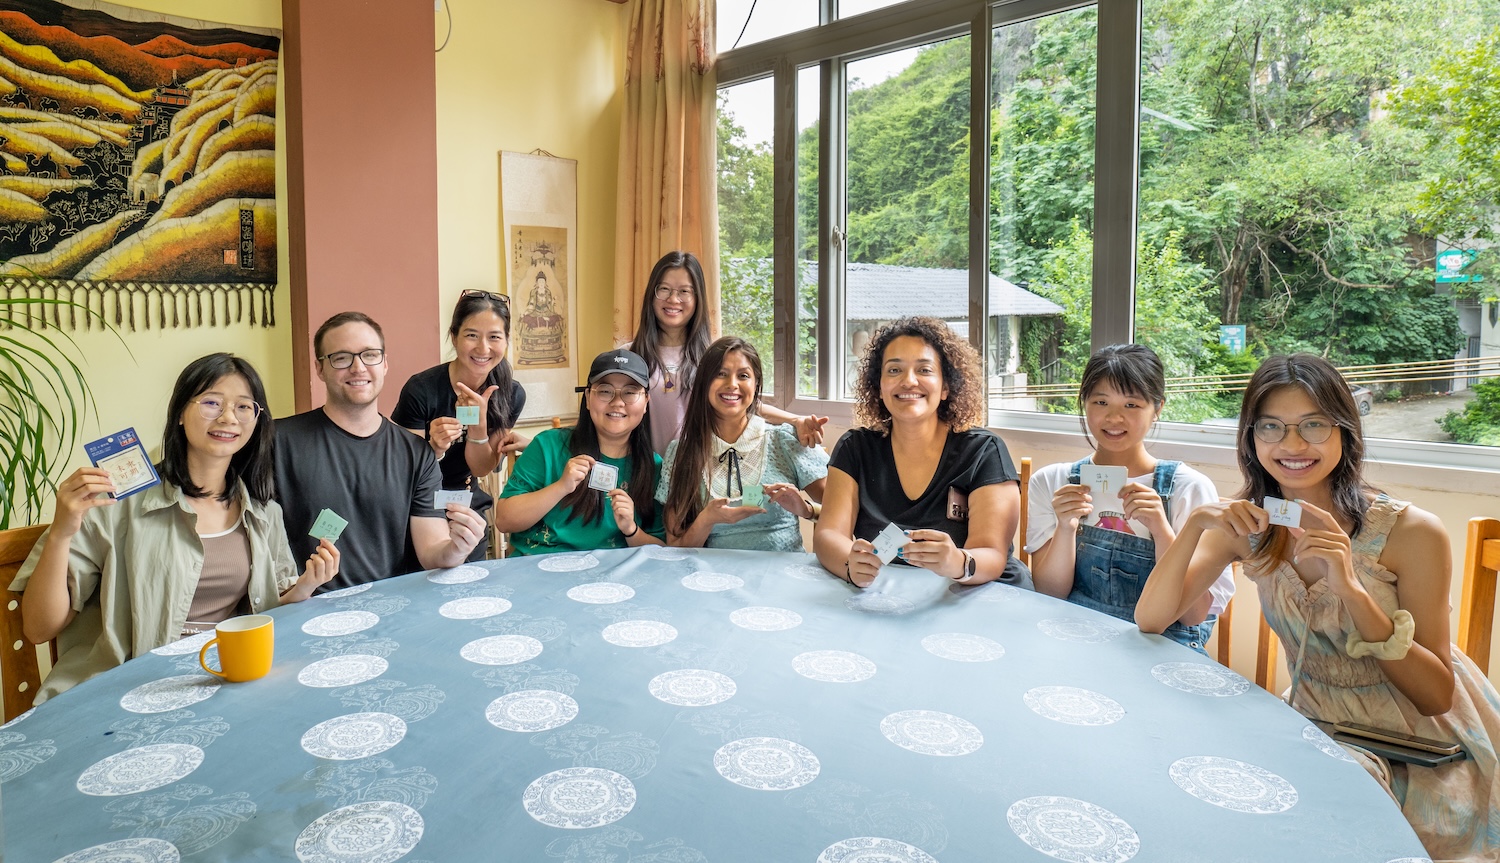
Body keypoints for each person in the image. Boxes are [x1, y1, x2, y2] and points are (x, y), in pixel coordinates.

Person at [1136, 354, 1500, 861]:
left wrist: (1351, 588)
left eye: (1313, 425)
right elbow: (1151, 619)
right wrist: (1196, 524)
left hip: (1422, 751)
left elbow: (1436, 696)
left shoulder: (1412, 532)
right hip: (1320, 732)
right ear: (1250, 438)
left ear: (1344, 431)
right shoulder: (1252, 527)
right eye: (1271, 427)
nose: (1291, 445)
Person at [11, 353, 339, 703]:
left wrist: (306, 585)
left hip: (221, 680)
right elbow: (39, 628)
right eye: (212, 403)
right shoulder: (114, 505)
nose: (228, 417)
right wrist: (61, 532)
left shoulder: (263, 513)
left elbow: (261, 616)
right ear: (181, 412)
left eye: (244, 407)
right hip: (125, 688)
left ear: (256, 421)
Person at [1027, 344, 1233, 654]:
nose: (1114, 417)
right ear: (1084, 403)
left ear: (1158, 408)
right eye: (1101, 402)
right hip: (1075, 638)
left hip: (1161, 645)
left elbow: (1194, 615)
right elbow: (1049, 593)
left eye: (1132, 405)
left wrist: (1161, 531)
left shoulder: (1188, 488)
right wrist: (1065, 528)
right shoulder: (1051, 481)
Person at [814, 316, 1032, 589]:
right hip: (888, 592)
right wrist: (850, 564)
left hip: (979, 591)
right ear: (879, 387)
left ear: (946, 387)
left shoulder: (983, 451)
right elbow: (828, 534)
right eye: (894, 370)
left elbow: (992, 554)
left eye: (924, 370)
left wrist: (958, 561)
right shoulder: (855, 448)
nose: (908, 381)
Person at [275, 312, 487, 587]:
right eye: (341, 358)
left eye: (370, 355)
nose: (358, 367)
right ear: (320, 369)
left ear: (384, 363)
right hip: (307, 604)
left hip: (391, 604)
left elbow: (432, 551)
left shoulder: (416, 454)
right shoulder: (279, 442)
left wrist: (457, 548)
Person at [626, 250, 827, 454]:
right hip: (642, 467)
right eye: (664, 289)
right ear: (652, 294)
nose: (673, 299)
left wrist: (795, 420)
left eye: (684, 291)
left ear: (697, 298)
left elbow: (745, 402)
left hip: (698, 465)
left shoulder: (712, 355)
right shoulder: (628, 356)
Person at [659, 337, 829, 550]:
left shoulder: (783, 440)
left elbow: (844, 510)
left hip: (783, 569)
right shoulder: (681, 453)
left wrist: (806, 510)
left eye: (743, 376)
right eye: (721, 374)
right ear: (704, 382)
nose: (732, 384)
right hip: (715, 570)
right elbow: (675, 546)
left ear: (756, 384)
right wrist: (706, 520)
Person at [392, 290, 527, 559]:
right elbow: (401, 470)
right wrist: (433, 449)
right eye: (472, 335)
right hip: (417, 507)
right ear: (454, 337)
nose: (483, 348)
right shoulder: (422, 389)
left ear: (506, 340)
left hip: (465, 502)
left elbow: (481, 468)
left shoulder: (510, 393)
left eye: (494, 337)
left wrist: (478, 424)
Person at [494, 349, 666, 554]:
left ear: (645, 402)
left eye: (630, 392)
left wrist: (631, 530)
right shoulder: (547, 445)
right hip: (540, 565)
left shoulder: (653, 467)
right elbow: (504, 520)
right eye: (605, 391)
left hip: (612, 571)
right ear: (588, 397)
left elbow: (663, 551)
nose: (617, 402)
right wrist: (560, 487)